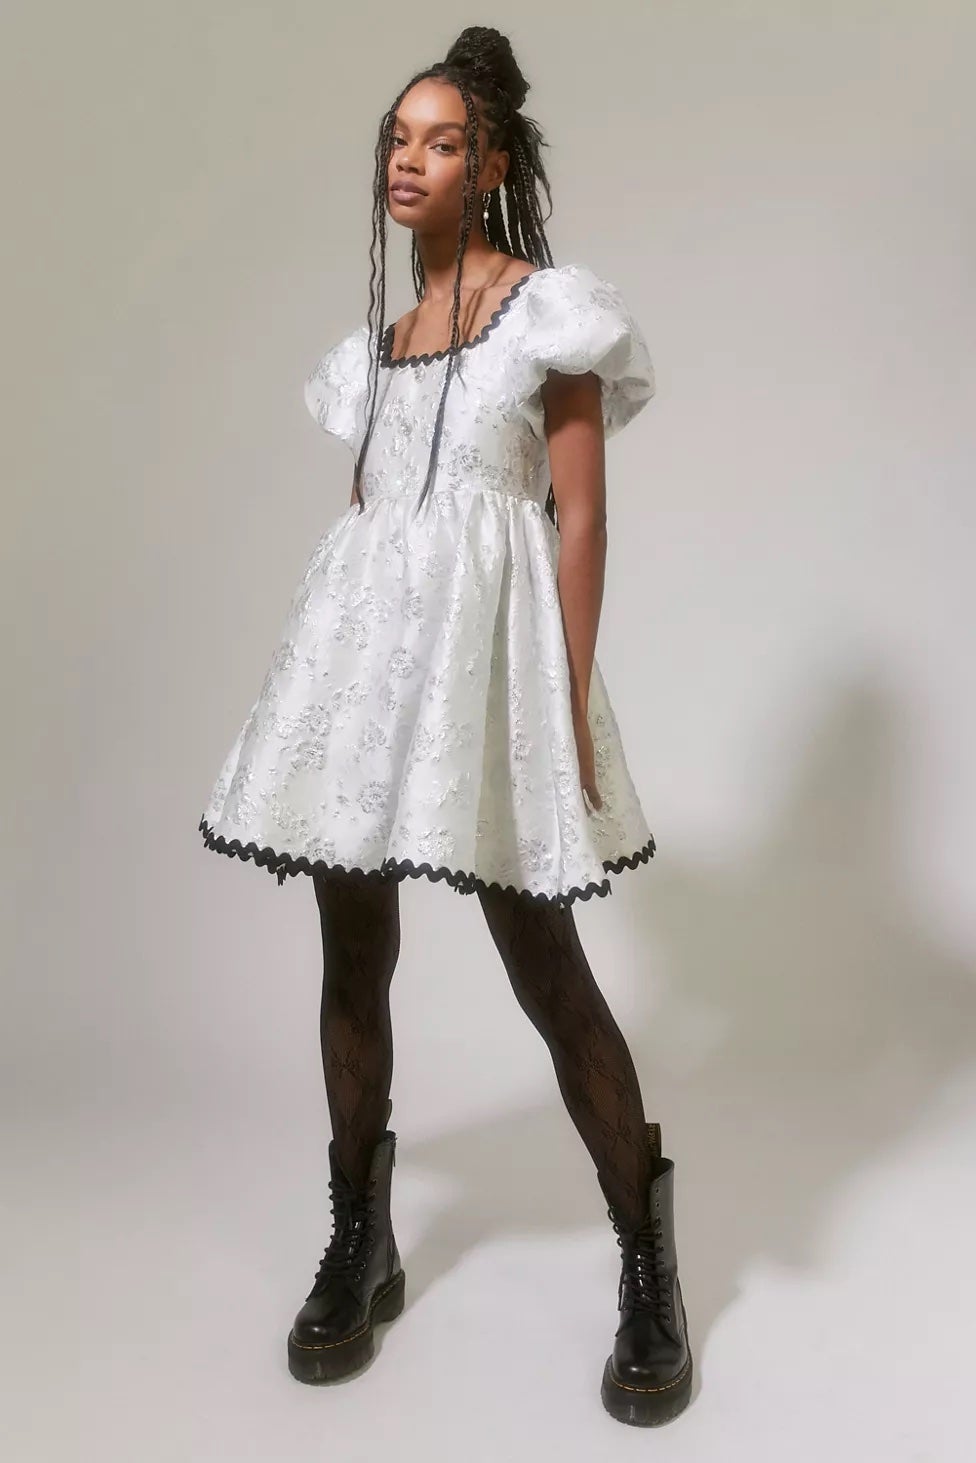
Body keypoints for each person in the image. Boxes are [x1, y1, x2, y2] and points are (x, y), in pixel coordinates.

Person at [198, 25, 692, 1428]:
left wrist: (567, 710)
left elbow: (578, 519)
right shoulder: (376, 351)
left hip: (490, 678)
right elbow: (379, 530)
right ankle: (361, 1239)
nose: (408, 163)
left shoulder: (549, 316)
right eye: (396, 142)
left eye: (441, 142)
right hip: (365, 676)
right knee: (352, 953)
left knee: (544, 962)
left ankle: (647, 1258)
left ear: (493, 166)